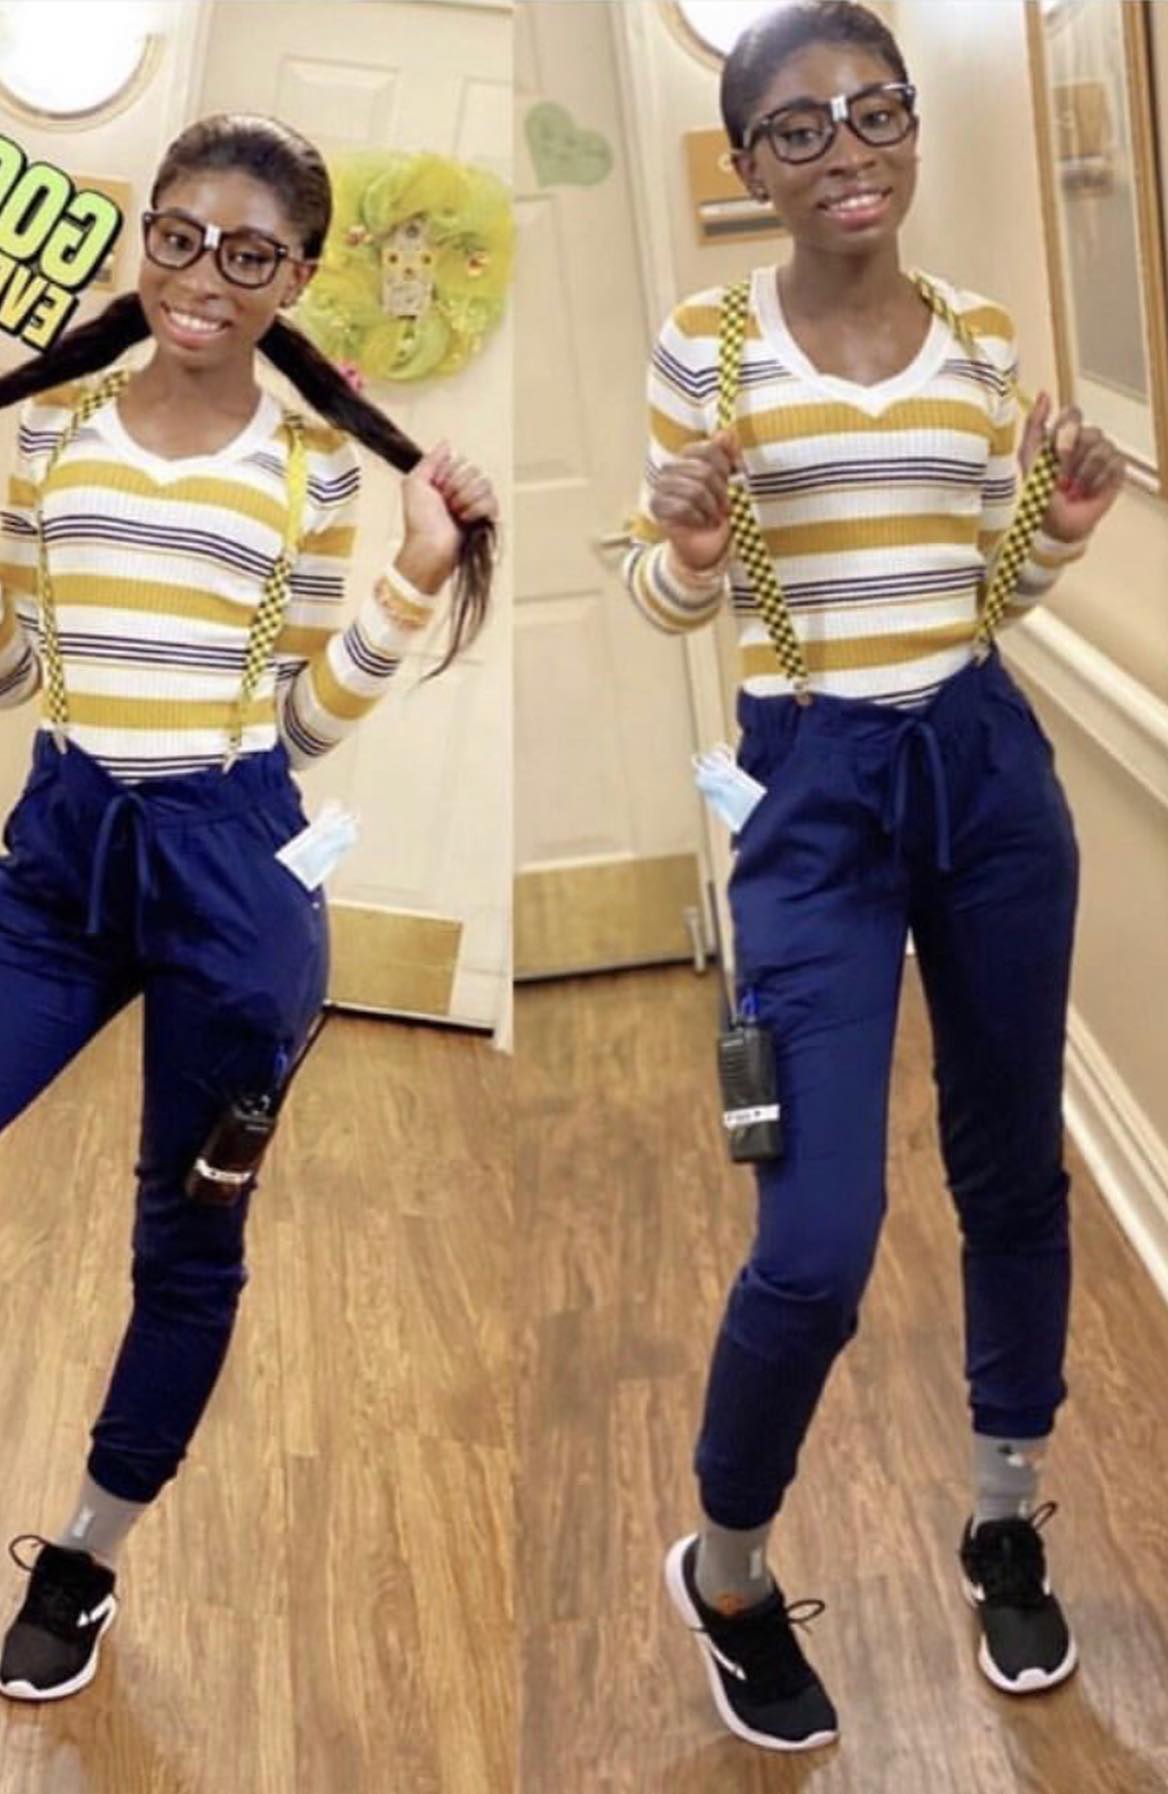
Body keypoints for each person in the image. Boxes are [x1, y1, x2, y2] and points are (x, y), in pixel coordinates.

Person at [0, 113, 497, 1704]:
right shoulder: (60, 432)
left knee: (188, 1245)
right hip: (59, 862)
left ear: (297, 278)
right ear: (144, 235)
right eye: (179, 236)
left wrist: (415, 573)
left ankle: (85, 1552)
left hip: (234, 873)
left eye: (251, 253)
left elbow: (304, 725)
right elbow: (10, 671)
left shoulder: (312, 469)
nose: (205, 277)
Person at [622, 1, 1126, 1754]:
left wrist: (1060, 529)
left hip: (985, 767)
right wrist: (691, 550)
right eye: (801, 127)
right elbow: (669, 595)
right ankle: (728, 1568)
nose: (849, 151)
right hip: (813, 790)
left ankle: (1004, 1513)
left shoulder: (980, 336)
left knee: (1013, 1167)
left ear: (913, 125)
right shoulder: (705, 346)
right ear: (748, 163)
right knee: (817, 1238)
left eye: (876, 112)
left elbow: (984, 588)